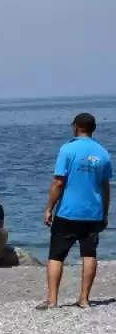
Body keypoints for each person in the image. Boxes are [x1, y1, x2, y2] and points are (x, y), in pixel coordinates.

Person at [38, 113, 111, 310]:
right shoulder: (103, 153)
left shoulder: (68, 149)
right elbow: (106, 186)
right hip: (93, 211)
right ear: (93, 128)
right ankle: (84, 299)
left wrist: (49, 208)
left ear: (76, 127)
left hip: (68, 211)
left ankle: (52, 300)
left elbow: (58, 182)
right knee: (89, 254)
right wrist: (105, 212)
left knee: (56, 255)